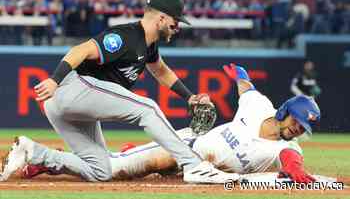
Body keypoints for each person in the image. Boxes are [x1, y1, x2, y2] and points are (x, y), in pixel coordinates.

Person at [0, 0, 239, 184]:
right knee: (148, 109)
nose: (177, 27)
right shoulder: (125, 37)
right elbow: (80, 50)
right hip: (71, 88)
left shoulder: (149, 45)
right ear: (162, 18)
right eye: (176, 22)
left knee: (101, 170)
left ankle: (33, 152)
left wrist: (189, 96)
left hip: (72, 104)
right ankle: (194, 166)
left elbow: (160, 71)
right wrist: (55, 79)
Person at [20, 63, 321, 184]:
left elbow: (291, 160)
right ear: (286, 111)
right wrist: (240, 74)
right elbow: (247, 88)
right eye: (298, 122)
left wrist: (296, 171)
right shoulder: (260, 105)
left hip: (200, 171)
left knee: (135, 174)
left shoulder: (286, 147)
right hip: (184, 147)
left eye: (303, 130)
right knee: (111, 171)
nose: (298, 130)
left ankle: (129, 152)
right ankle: (46, 160)